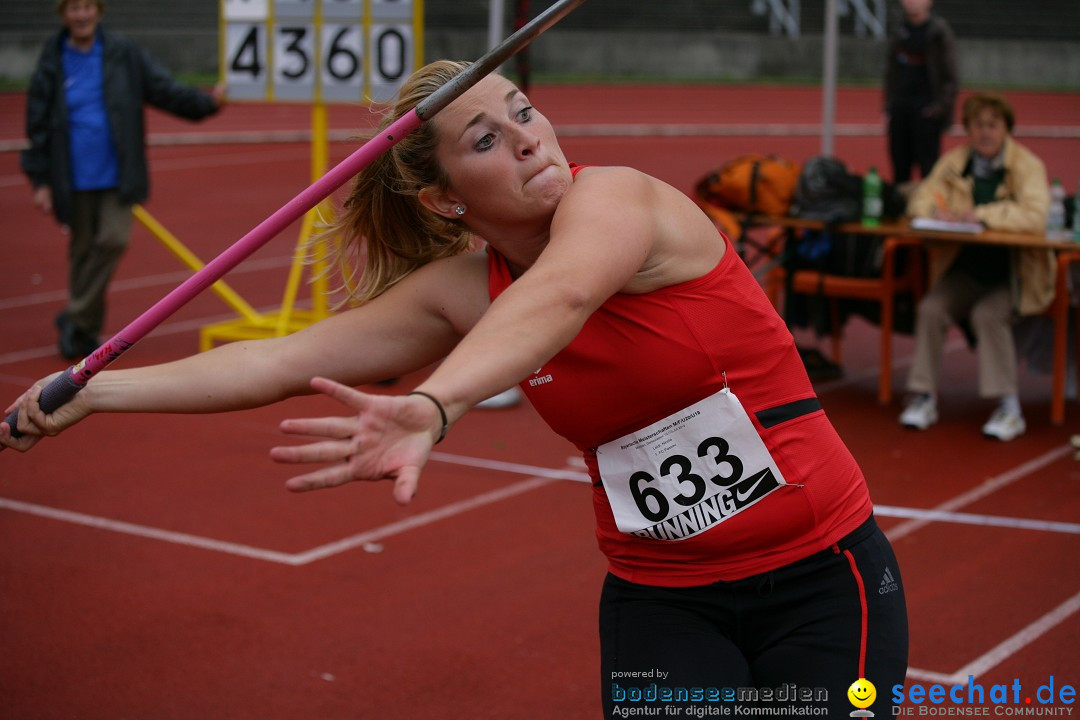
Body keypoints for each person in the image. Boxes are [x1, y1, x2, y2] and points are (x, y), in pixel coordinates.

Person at [3, 60, 908, 717]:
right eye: (486, 139)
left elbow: (563, 293)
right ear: (442, 199)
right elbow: (276, 361)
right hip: (661, 594)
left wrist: (437, 404)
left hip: (820, 574)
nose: (527, 137)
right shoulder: (463, 291)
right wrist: (99, 394)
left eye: (524, 111)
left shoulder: (622, 200)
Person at [21, 0, 225, 360]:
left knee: (113, 240)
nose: (81, 15)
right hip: (70, 175)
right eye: (73, 8)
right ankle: (82, 332)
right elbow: (37, 122)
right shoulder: (52, 59)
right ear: (63, 14)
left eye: (88, 7)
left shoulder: (123, 53)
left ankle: (76, 317)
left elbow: (162, 88)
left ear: (99, 11)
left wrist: (207, 103)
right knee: (83, 253)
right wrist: (41, 181)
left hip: (118, 172)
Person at [899, 92, 1054, 441]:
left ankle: (1009, 407)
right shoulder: (954, 162)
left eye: (992, 125)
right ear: (967, 129)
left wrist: (982, 215)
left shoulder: (1027, 166)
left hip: (1012, 276)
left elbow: (1035, 215)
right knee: (931, 308)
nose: (984, 132)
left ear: (1005, 129)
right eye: (977, 125)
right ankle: (923, 396)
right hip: (964, 271)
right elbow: (922, 197)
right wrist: (934, 213)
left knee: (988, 315)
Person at [883, 0, 958, 184]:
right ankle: (902, 210)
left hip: (926, 112)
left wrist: (940, 108)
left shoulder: (939, 32)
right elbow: (890, 71)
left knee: (929, 171)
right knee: (900, 169)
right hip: (900, 110)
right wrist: (888, 105)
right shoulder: (899, 30)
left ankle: (927, 210)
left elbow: (950, 75)